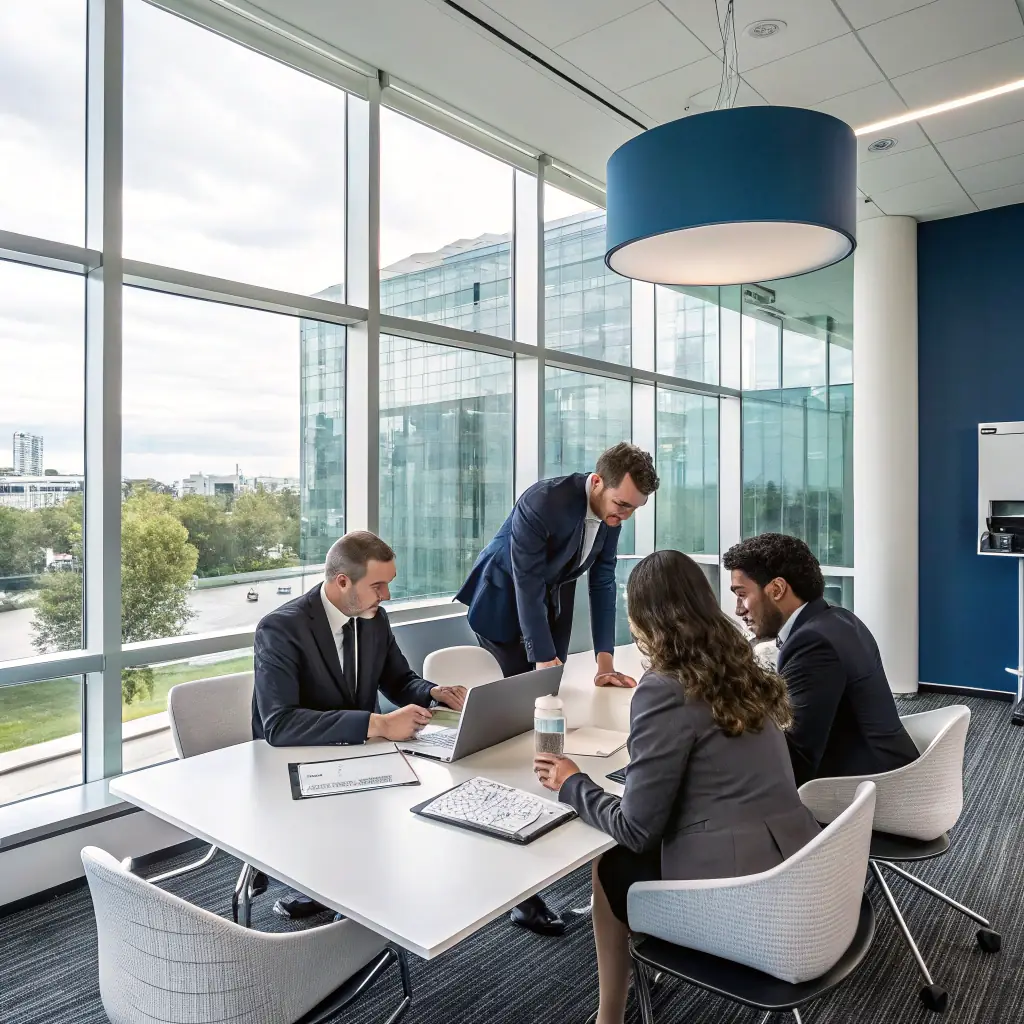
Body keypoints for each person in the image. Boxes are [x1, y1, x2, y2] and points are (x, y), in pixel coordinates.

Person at [535, 550, 818, 1024]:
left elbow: (638, 830)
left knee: (611, 864)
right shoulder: (741, 666)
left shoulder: (664, 686)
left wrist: (571, 781)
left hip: (739, 889)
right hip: (795, 861)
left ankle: (610, 1018)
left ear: (645, 618)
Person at [457, 442, 659, 936]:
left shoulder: (608, 519)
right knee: (528, 730)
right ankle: (519, 887)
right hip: (506, 607)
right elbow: (524, 581)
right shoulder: (543, 501)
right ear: (597, 481)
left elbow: (604, 579)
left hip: (550, 601)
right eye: (622, 505)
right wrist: (543, 656)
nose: (624, 517)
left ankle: (553, 829)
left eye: (633, 509)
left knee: (550, 728)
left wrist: (604, 658)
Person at [252, 530, 466, 917]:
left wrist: (433, 692)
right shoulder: (281, 629)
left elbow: (399, 680)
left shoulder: (372, 619)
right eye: (378, 586)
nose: (386, 596)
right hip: (298, 764)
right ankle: (334, 896)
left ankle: (364, 894)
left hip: (359, 757)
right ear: (342, 581)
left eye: (389, 585)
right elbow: (280, 724)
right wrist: (378, 725)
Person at [724, 533, 920, 786]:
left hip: (871, 788)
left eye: (742, 594)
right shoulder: (838, 619)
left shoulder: (814, 644)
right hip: (884, 767)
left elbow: (798, 758)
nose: (738, 610)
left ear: (777, 589)